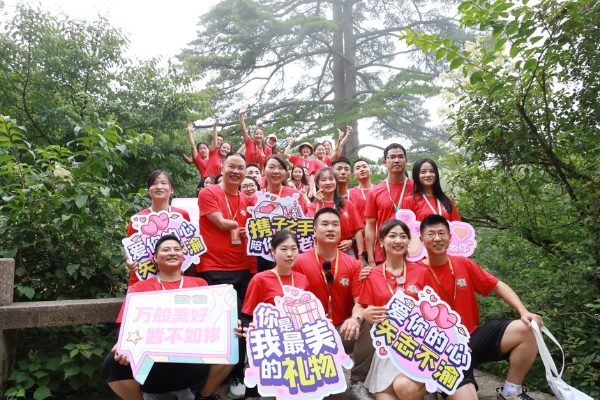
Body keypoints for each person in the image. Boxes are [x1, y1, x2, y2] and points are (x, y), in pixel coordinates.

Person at [415, 215, 542, 400]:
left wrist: (524, 312)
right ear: (421, 239)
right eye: (431, 234)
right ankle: (441, 386)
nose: (437, 238)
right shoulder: (414, 272)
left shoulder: (463, 263)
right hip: (442, 350)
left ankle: (511, 391)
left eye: (442, 233)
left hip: (473, 339)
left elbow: (497, 285)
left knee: (528, 328)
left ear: (450, 237)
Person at [103, 235, 233, 400]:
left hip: (190, 359)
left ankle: (205, 396)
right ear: (156, 258)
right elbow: (127, 326)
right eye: (166, 250)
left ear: (183, 256)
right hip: (151, 365)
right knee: (113, 362)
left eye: (177, 249)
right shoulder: (140, 288)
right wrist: (123, 345)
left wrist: (228, 323)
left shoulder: (200, 284)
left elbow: (214, 321)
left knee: (233, 341)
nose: (172, 253)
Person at [293, 208, 373, 400]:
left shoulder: (353, 264)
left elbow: (359, 303)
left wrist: (355, 318)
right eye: (325, 224)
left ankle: (357, 381)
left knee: (368, 319)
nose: (331, 228)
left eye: (335, 224)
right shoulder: (299, 262)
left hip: (342, 330)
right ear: (314, 230)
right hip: (310, 333)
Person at [197, 152, 253, 399]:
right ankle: (220, 376)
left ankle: (237, 373)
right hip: (215, 268)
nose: (236, 171)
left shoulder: (248, 199)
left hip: (244, 268)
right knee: (229, 325)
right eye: (232, 166)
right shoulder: (208, 193)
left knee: (244, 323)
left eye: (242, 168)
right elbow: (220, 222)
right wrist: (247, 227)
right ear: (222, 166)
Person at [357, 220, 429, 400]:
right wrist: (366, 314)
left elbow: (434, 311)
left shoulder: (422, 272)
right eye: (392, 236)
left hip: (416, 347)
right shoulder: (371, 274)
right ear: (381, 241)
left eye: (403, 237)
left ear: (408, 242)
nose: (398, 241)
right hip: (386, 350)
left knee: (404, 389)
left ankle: (429, 385)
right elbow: (365, 307)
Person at [125, 170, 191, 288]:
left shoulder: (182, 215)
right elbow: (129, 250)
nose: (159, 187)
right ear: (149, 190)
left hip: (174, 279)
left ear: (172, 189)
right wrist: (129, 261)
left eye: (164, 183)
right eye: (154, 183)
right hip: (142, 279)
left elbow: (189, 246)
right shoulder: (138, 219)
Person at [256, 155, 309, 273]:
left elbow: (302, 221)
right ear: (263, 170)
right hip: (264, 252)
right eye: (271, 167)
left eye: (280, 168)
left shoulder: (294, 194)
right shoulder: (257, 197)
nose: (276, 171)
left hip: (288, 252)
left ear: (286, 172)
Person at [365, 143, 414, 267]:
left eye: (400, 157)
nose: (396, 160)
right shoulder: (374, 192)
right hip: (383, 253)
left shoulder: (417, 188)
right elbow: (370, 226)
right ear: (384, 162)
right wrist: (371, 259)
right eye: (392, 157)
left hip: (413, 251)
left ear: (406, 161)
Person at [307, 168, 365, 261]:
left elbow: (358, 231)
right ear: (317, 185)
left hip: (346, 252)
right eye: (323, 180)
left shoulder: (347, 204)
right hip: (322, 253)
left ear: (336, 182)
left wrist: (361, 256)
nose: (328, 182)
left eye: (331, 179)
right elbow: (314, 229)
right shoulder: (312, 206)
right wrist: (320, 205)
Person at [332, 156, 367, 224]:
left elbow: (365, 225)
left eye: (346, 169)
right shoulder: (324, 199)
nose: (343, 172)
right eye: (339, 169)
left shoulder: (360, 200)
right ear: (331, 172)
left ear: (350, 174)